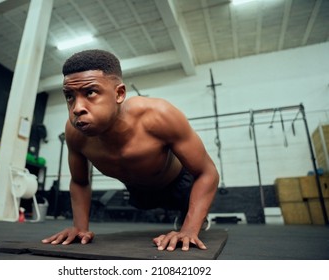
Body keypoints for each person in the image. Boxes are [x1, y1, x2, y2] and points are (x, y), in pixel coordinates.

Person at [42, 49, 219, 251]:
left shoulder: (159, 115)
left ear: (119, 94)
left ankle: (192, 215)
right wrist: (79, 228)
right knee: (142, 202)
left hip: (180, 186)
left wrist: (189, 230)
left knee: (191, 213)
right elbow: (80, 181)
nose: (77, 108)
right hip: (139, 194)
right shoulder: (75, 133)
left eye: (90, 92)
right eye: (69, 96)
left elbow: (207, 172)